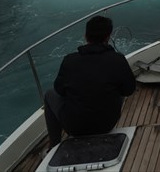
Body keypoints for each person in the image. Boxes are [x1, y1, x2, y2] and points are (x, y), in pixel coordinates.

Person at [44, 16, 136, 147]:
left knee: (49, 94)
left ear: (86, 36)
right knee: (118, 85)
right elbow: (129, 90)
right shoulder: (118, 60)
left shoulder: (69, 60)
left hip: (74, 127)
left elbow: (59, 90)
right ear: (108, 37)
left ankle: (54, 146)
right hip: (107, 123)